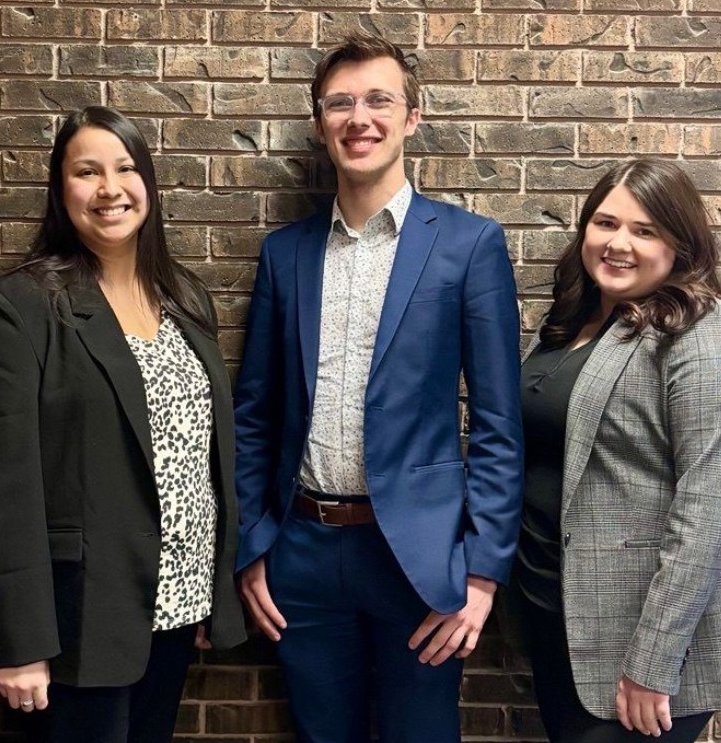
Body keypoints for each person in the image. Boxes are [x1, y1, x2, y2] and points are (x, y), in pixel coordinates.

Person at [234, 32, 524, 743]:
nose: (357, 117)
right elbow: (254, 413)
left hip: (419, 560)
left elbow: (496, 422)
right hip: (300, 553)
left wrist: (480, 575)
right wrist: (251, 546)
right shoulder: (286, 253)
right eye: (340, 103)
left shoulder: (468, 244)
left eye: (377, 100)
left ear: (411, 117)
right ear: (318, 122)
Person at [0, 105, 246, 743]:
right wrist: (21, 643)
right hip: (76, 621)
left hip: (177, 605)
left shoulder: (187, 297)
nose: (109, 188)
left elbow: (207, 454)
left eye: (124, 168)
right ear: (61, 192)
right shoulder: (25, 305)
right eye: (86, 172)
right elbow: (3, 490)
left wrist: (213, 589)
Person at [508, 158, 721, 742]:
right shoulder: (577, 321)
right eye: (605, 223)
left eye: (645, 231)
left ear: (681, 243)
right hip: (563, 623)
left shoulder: (706, 331)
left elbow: (707, 513)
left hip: (643, 651)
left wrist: (653, 664)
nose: (619, 243)